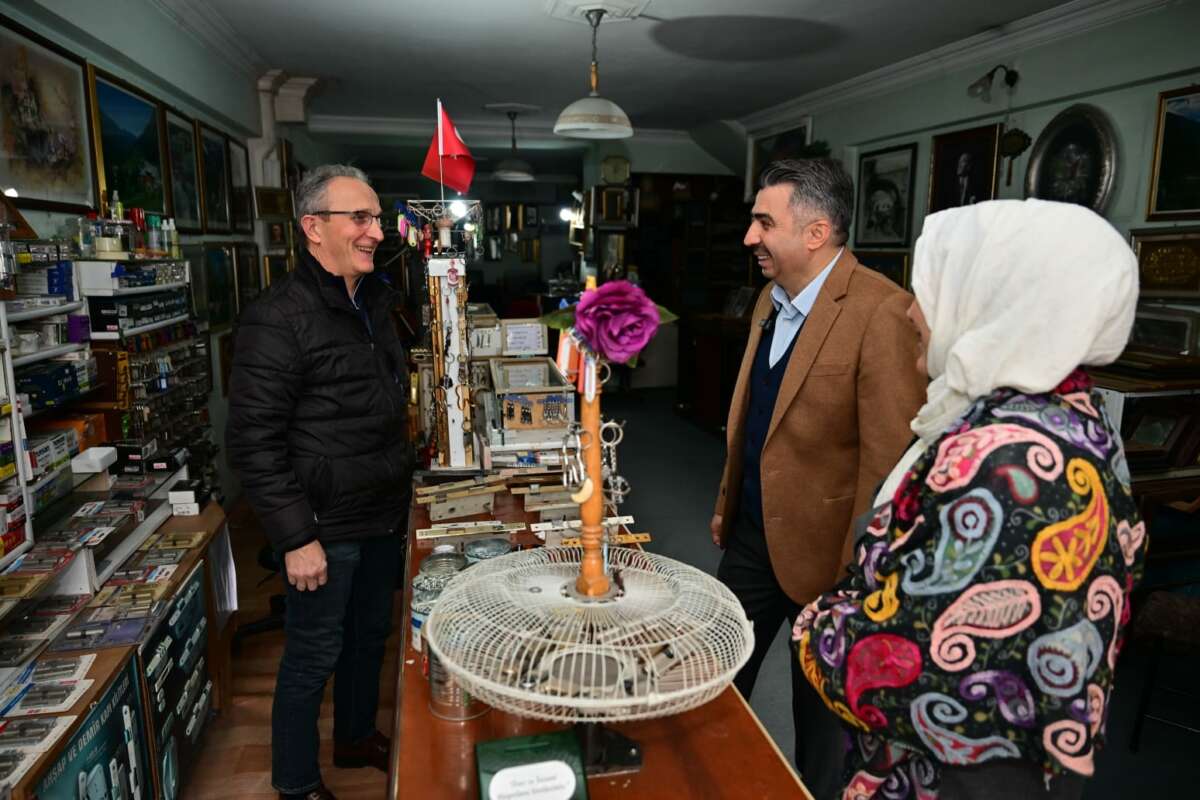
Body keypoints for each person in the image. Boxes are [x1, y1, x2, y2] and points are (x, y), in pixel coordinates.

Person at [794, 199, 1144, 799]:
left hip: (951, 775)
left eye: (929, 290)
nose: (909, 312)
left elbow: (906, 665)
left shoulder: (1004, 456)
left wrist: (814, 623)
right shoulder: (1073, 416)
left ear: (997, 299)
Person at [710, 158, 926, 797]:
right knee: (713, 681)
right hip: (752, 538)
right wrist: (729, 500)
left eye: (762, 222)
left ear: (816, 232)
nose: (750, 237)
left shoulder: (881, 311)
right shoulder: (768, 298)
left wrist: (855, 579)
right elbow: (755, 413)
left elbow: (888, 463)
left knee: (822, 734)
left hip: (832, 563)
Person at [227, 164, 413, 800]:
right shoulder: (277, 319)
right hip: (324, 525)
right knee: (312, 655)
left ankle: (356, 735)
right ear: (313, 227)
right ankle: (297, 783)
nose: (375, 231)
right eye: (360, 218)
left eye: (377, 218)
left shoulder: (373, 302)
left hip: (379, 513)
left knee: (369, 637)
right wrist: (294, 537)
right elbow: (253, 442)